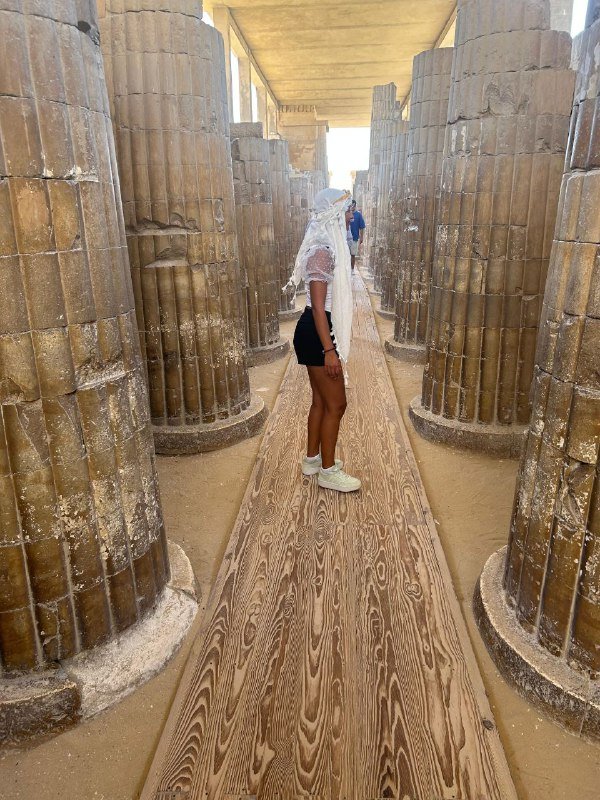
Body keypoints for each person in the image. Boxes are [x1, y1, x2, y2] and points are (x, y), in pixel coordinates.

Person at [288, 188, 361, 493]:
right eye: (347, 209)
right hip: (318, 331)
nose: (351, 215)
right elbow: (318, 307)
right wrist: (329, 350)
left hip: (315, 330)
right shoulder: (322, 251)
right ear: (333, 213)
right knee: (337, 404)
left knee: (320, 401)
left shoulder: (326, 246)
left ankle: (313, 460)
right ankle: (328, 472)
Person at [348, 199, 366, 271]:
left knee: (353, 254)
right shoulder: (346, 213)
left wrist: (361, 237)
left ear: (355, 206)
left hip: (354, 238)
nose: (352, 207)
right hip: (345, 238)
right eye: (350, 205)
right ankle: (347, 269)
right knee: (346, 254)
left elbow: (362, 227)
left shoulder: (358, 215)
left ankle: (352, 269)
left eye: (353, 206)